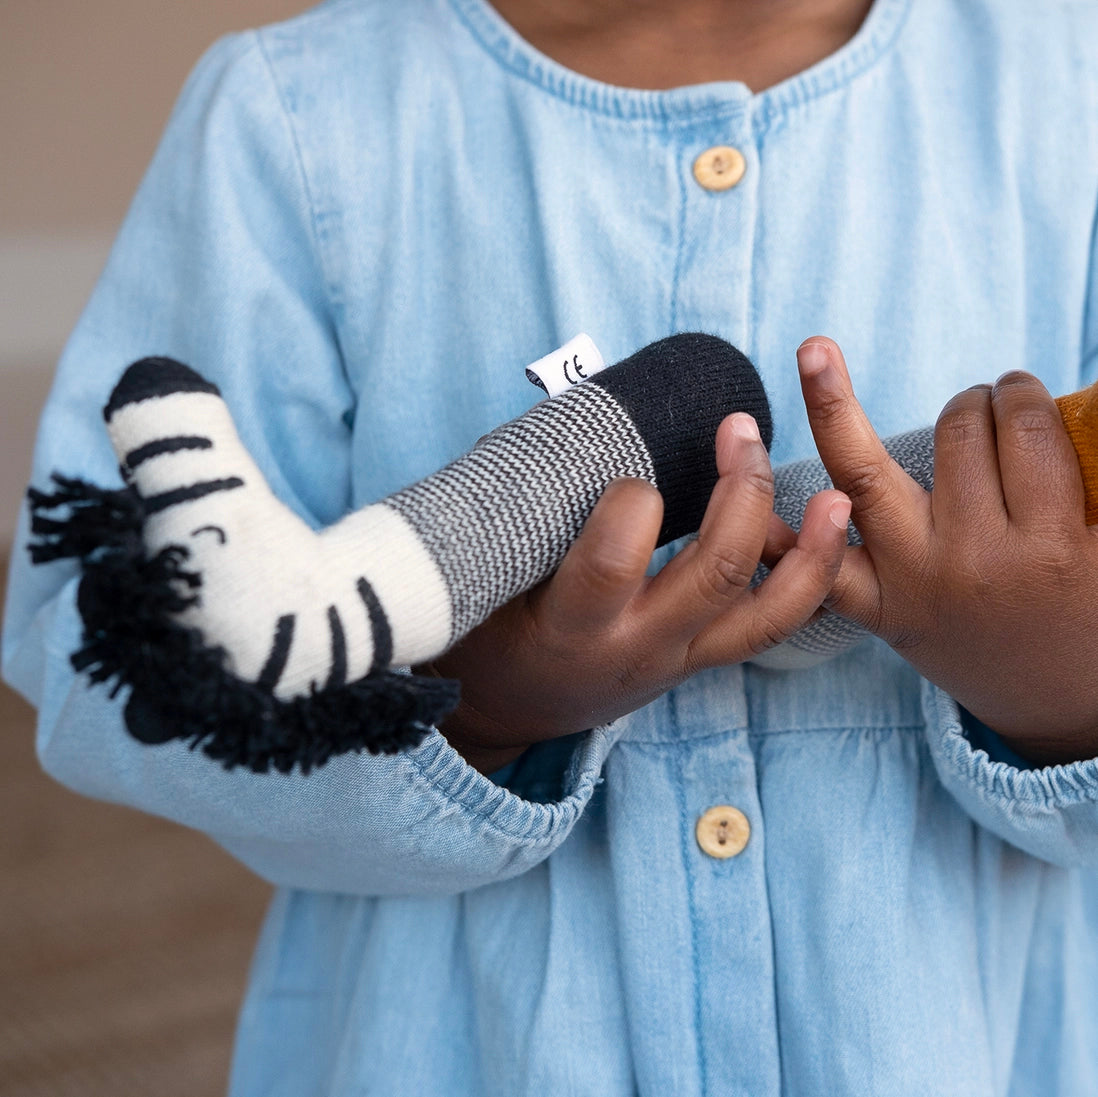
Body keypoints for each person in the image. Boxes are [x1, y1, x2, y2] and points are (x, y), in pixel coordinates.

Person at [5, 0, 1098, 1092]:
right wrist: (476, 703)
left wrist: (1060, 685)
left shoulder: (1070, 77)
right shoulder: (293, 114)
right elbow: (95, 654)